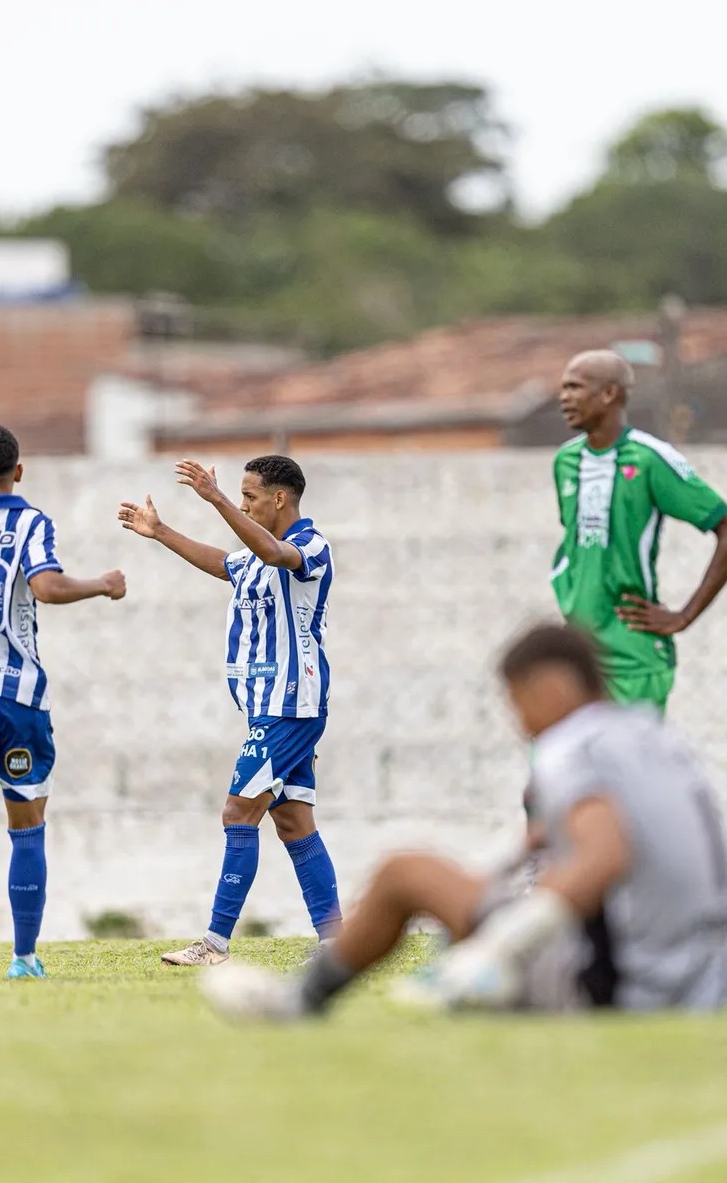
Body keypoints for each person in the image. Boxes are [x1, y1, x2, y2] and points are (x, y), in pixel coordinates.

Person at [199, 622, 727, 1019]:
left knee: (404, 873)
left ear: (549, 689)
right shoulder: (653, 737)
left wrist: (503, 946)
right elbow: (551, 837)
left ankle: (298, 1001)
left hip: (623, 985)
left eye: (517, 703)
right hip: (704, 981)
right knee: (471, 893)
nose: (520, 723)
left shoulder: (570, 746)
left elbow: (604, 854)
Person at [119, 455, 341, 966]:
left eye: (249, 496)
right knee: (294, 822)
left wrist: (215, 498)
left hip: (289, 706)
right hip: (267, 708)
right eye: (239, 496)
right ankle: (336, 944)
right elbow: (224, 563)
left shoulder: (310, 546)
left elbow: (272, 553)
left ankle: (214, 944)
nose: (242, 505)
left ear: (279, 499)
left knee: (238, 812)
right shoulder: (255, 556)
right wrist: (160, 532)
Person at [0, 425, 126, 975]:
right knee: (27, 824)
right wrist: (103, 583)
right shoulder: (30, 522)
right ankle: (23, 957)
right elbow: (47, 587)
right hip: (18, 697)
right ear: (18, 471)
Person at [552, 349, 727, 713]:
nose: (563, 397)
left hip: (632, 658)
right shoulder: (565, 461)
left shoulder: (649, 459)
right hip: (579, 658)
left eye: (574, 387)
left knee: (626, 752)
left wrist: (685, 614)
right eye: (563, 388)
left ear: (609, 393)